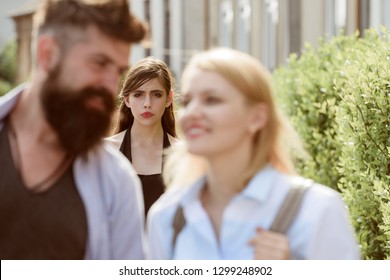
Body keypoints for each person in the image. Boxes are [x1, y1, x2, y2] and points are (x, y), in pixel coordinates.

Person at [146, 48, 361, 260]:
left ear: (257, 117)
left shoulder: (317, 210)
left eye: (211, 100)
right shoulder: (165, 217)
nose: (190, 113)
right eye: (187, 102)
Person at [0, 0, 147, 259]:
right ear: (48, 54)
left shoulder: (117, 182)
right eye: (99, 63)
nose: (110, 87)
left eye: (118, 71)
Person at [106, 57, 178, 217]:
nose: (147, 103)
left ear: (169, 98)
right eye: (138, 94)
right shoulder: (105, 152)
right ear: (127, 99)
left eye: (156, 94)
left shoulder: (183, 155)